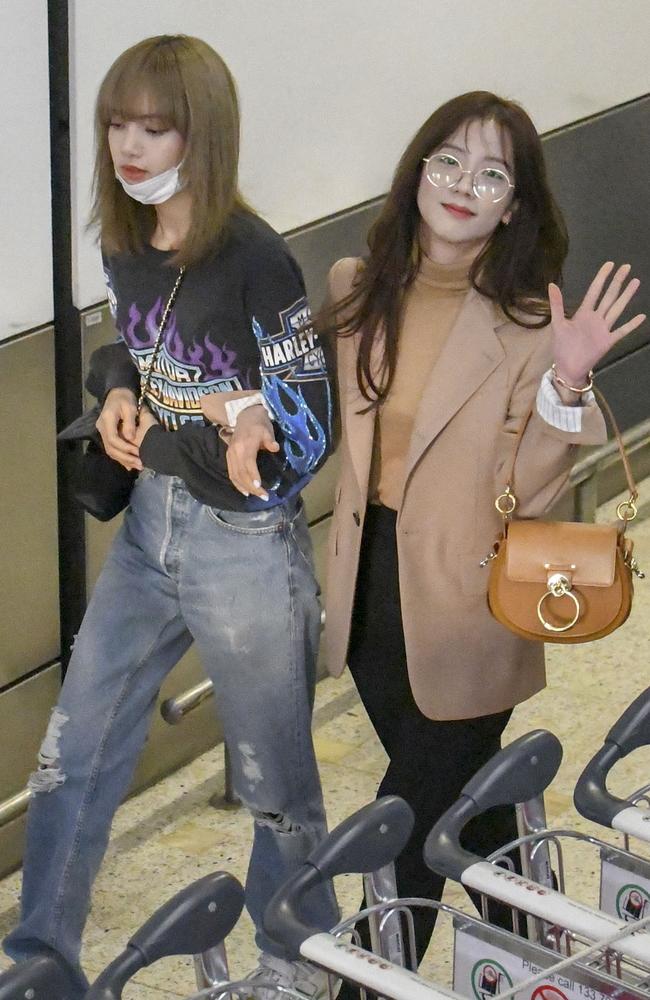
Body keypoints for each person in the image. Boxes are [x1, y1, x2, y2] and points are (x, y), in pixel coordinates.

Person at [2, 34, 337, 999]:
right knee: (75, 750)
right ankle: (40, 963)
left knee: (276, 782)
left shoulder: (257, 260)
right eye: (116, 124)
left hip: (244, 550)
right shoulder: (122, 237)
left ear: (205, 134)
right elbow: (135, 346)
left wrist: (169, 440)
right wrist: (114, 387)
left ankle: (296, 955)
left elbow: (302, 440)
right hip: (151, 534)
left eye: (156, 127)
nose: (129, 146)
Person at [321, 91, 645, 982]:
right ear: (419, 172)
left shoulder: (528, 324)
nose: (466, 183)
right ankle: (550, 964)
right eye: (450, 161)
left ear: (513, 205)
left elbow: (534, 488)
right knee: (470, 807)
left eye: (493, 173)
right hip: (371, 592)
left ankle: (361, 977)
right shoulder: (356, 289)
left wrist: (568, 385)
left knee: (407, 821)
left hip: (473, 597)